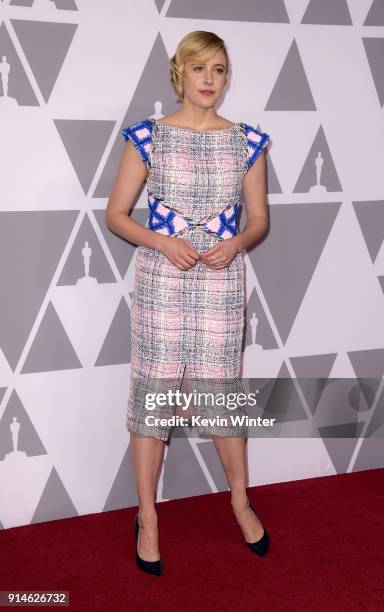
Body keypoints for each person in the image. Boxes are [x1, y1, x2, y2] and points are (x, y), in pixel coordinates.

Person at [105, 30, 271, 576]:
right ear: (181, 73)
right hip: (161, 278)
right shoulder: (148, 136)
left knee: (222, 396)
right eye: (200, 69)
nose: (210, 81)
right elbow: (118, 214)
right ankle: (148, 517)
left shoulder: (247, 141)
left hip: (222, 282)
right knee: (155, 397)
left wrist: (236, 243)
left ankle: (240, 500)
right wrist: (162, 241)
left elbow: (259, 220)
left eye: (220, 71)